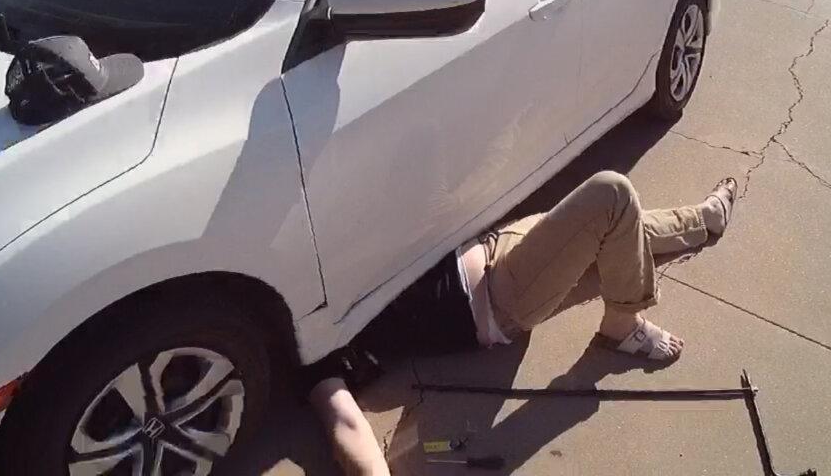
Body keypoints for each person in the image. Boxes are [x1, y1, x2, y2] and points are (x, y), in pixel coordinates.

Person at [305, 171, 738, 476]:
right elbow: (344, 424)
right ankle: (621, 327)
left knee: (618, 234)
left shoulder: (325, 264)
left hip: (500, 248)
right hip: (504, 294)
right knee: (613, 197)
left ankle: (705, 220)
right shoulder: (317, 353)